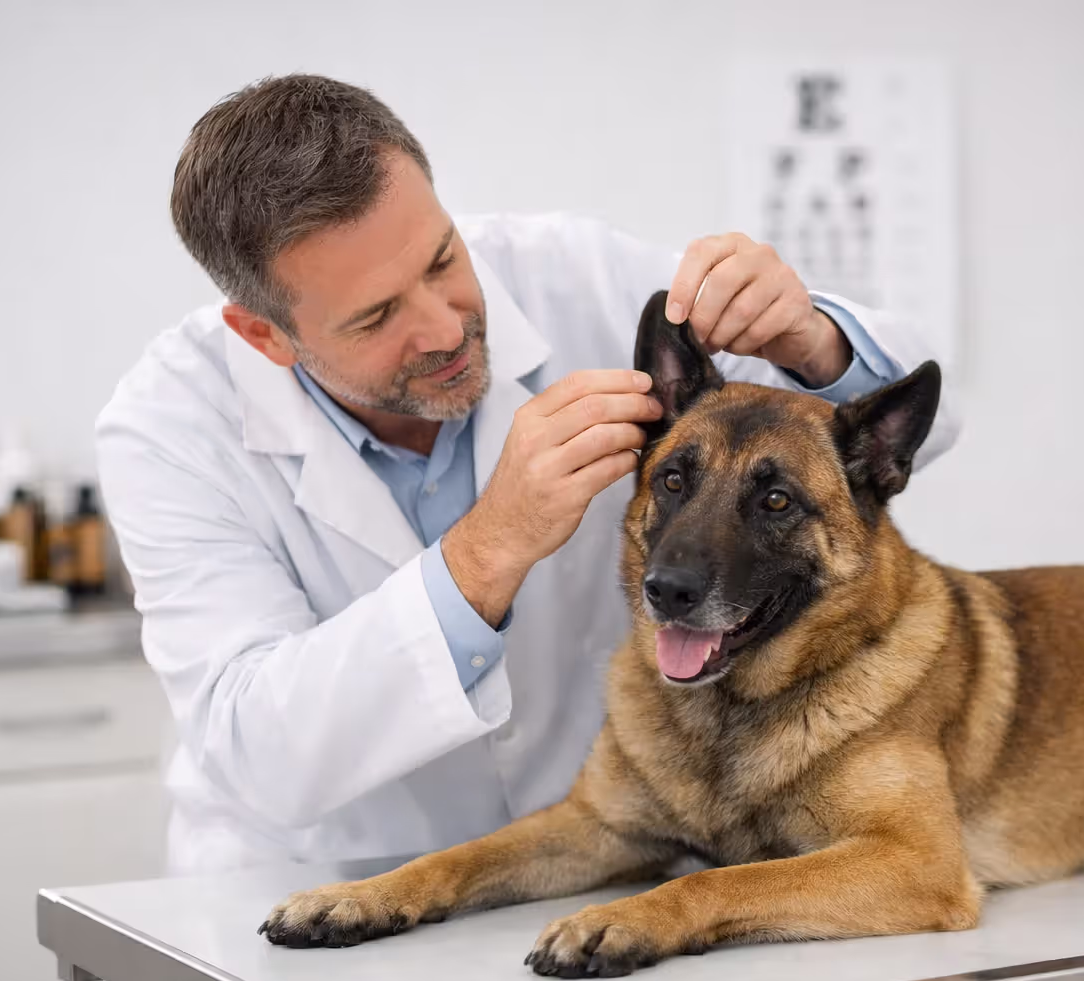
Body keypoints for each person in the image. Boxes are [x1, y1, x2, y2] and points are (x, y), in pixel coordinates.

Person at [97, 74, 960, 873]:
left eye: (442, 260)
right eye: (377, 316)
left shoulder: (576, 275)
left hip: (589, 870)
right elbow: (259, 754)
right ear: (265, 336)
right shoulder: (170, 427)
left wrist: (812, 339)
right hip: (317, 883)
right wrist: (489, 547)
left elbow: (922, 424)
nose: (445, 329)